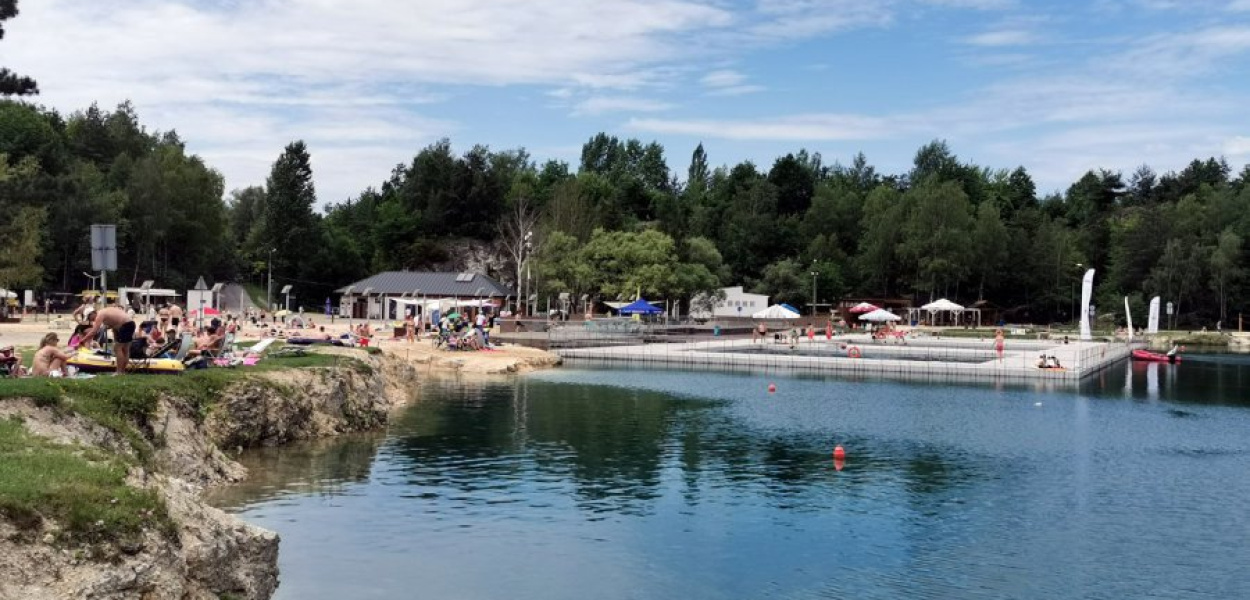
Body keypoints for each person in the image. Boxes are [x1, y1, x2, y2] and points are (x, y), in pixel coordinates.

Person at [81, 303, 137, 374]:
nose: (91, 320)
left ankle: (119, 372)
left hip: (125, 325)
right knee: (125, 349)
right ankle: (122, 371)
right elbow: (115, 324)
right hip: (130, 323)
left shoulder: (100, 315)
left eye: (90, 318)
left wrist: (82, 340)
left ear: (92, 313)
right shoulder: (105, 311)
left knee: (117, 348)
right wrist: (116, 337)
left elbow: (94, 331)